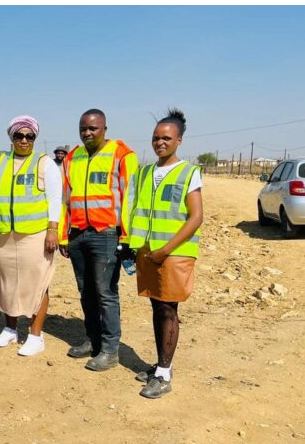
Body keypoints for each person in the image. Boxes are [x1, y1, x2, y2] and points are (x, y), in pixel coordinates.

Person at [129, 109, 203, 399]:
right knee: (156, 308)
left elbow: (195, 217)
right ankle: (160, 364)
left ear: (179, 141)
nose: (160, 143)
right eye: (156, 138)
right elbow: (137, 211)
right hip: (149, 252)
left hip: (173, 253)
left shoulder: (188, 173)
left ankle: (163, 374)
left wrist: (166, 250)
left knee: (168, 310)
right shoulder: (146, 172)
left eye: (166, 138)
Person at [58, 109, 138, 371]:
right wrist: (62, 234)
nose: (87, 133)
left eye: (93, 128)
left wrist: (127, 236)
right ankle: (92, 340)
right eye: (83, 128)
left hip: (107, 234)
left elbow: (130, 198)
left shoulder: (121, 154)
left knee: (105, 293)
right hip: (78, 235)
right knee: (86, 292)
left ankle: (110, 349)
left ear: (105, 128)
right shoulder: (72, 158)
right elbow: (64, 200)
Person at [0, 116, 62, 357]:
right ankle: (10, 328)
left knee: (37, 284)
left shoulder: (44, 163)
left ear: (35, 138)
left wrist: (52, 229)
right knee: (7, 284)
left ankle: (35, 336)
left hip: (35, 235)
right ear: (11, 137)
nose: (24, 140)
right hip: (5, 233)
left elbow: (54, 198)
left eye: (30, 136)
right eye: (19, 135)